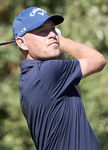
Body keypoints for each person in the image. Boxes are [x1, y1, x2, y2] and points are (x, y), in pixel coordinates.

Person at [12, 6, 106, 150]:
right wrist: (61, 40)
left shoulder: (29, 79)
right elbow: (98, 60)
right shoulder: (46, 72)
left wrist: (57, 48)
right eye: (41, 31)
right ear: (22, 43)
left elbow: (76, 98)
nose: (51, 34)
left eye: (53, 29)